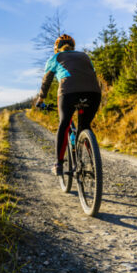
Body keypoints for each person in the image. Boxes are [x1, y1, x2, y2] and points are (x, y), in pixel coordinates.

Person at [36, 34, 101, 176]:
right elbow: (93, 74)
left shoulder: (55, 58)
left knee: (64, 124)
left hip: (69, 93)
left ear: (56, 48)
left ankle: (58, 164)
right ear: (73, 46)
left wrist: (41, 100)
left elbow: (46, 81)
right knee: (85, 126)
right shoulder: (85, 56)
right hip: (93, 93)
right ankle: (94, 162)